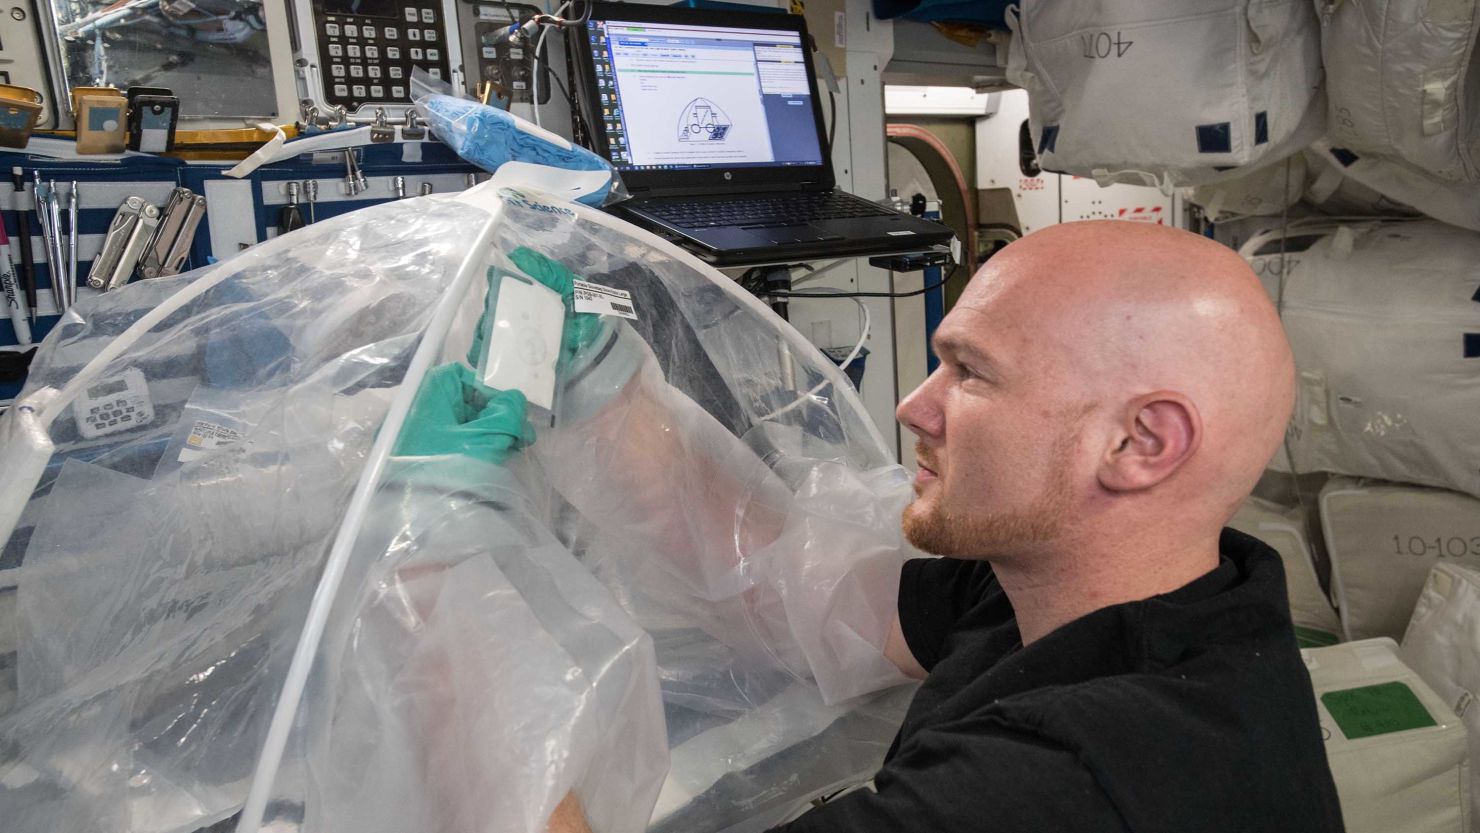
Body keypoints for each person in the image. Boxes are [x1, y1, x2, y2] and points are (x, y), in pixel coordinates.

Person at [542, 220, 1346, 832]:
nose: (914, 406)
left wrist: (440, 555)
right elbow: (788, 592)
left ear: (1139, 444)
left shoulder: (1070, 779)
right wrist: (598, 384)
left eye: (970, 372)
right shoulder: (1153, 587)